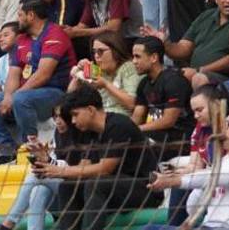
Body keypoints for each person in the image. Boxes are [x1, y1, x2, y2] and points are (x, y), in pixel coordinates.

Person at [0, 0, 75, 163]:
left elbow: (43, 74)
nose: (17, 19)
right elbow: (14, 73)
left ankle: (29, 148)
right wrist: (8, 97)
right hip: (27, 95)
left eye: (20, 15)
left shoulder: (55, 33)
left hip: (56, 94)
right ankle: (7, 150)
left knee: (21, 98)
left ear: (31, 15)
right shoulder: (21, 39)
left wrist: (15, 96)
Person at [48, 84, 158, 230]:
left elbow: (105, 169)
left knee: (96, 183)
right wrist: (49, 165)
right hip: (113, 189)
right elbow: (84, 167)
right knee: (68, 186)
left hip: (145, 189)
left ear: (90, 110)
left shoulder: (118, 125)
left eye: (75, 114)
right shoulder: (90, 131)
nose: (73, 121)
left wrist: (60, 171)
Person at [146, 105, 229, 230]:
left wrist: (171, 181)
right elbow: (192, 207)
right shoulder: (223, 161)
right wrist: (201, 187)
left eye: (228, 124)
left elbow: (215, 178)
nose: (221, 130)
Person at [131, 35, 193, 156]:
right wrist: (126, 130)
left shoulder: (174, 80)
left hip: (178, 138)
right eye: (133, 57)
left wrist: (137, 130)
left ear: (154, 57)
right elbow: (137, 115)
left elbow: (168, 121)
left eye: (138, 56)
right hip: (155, 135)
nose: (134, 61)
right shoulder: (144, 83)